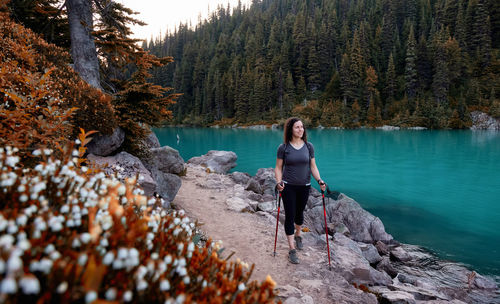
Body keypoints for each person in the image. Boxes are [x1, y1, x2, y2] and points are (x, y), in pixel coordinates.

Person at [275, 117, 326, 264]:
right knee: (290, 216)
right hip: (288, 186)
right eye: (297, 127)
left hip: (305, 186)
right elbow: (278, 168)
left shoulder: (309, 146)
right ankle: (291, 249)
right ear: (291, 129)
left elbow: (313, 166)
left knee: (299, 214)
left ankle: (298, 235)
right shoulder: (283, 148)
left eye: (302, 127)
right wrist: (279, 182)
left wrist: (320, 180)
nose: (300, 129)